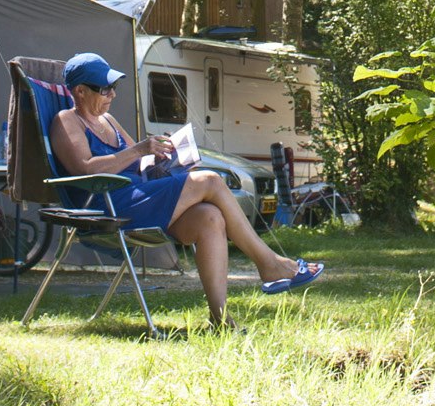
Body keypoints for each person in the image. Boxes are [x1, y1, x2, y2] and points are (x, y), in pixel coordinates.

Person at [50, 51, 323, 326]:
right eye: (104, 89)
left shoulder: (108, 121)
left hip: (138, 197)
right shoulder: (66, 121)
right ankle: (269, 264)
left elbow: (139, 159)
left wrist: (160, 155)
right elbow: (85, 169)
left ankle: (220, 319)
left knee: (209, 218)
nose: (112, 94)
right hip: (107, 206)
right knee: (210, 180)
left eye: (113, 87)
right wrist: (138, 150)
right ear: (80, 91)